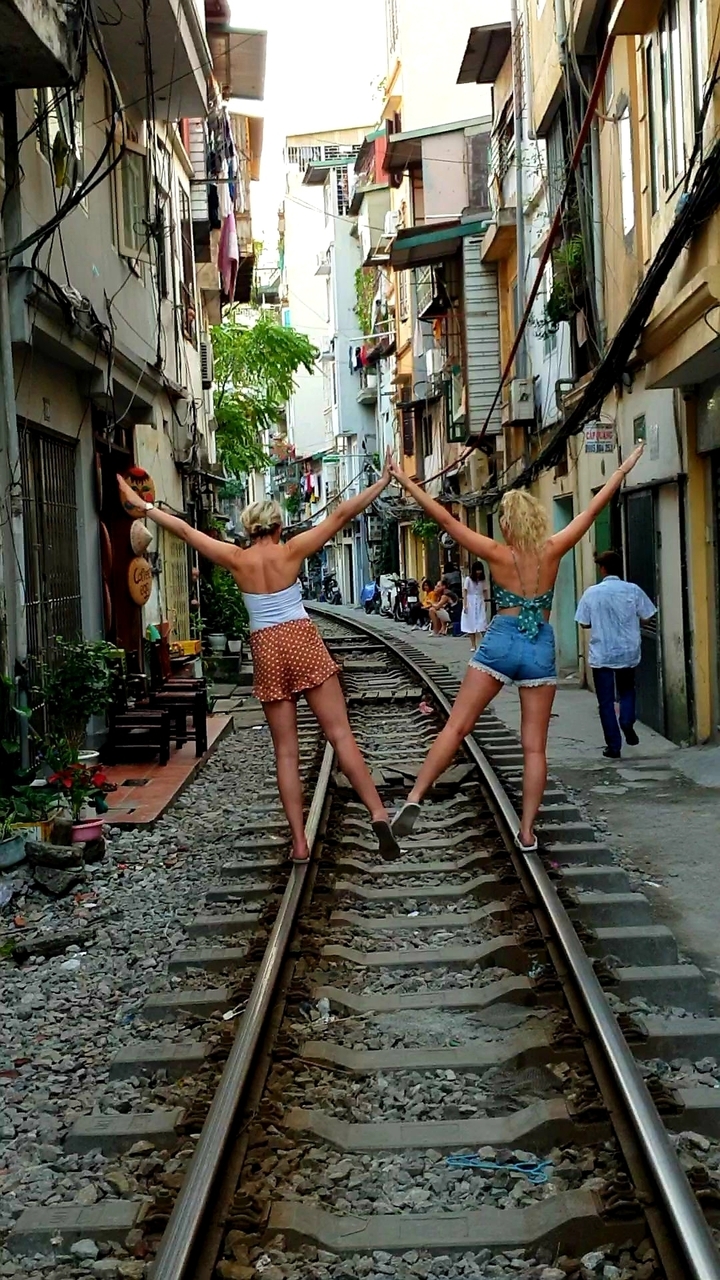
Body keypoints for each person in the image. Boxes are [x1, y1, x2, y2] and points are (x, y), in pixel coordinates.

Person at [117, 464, 401, 864]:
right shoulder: (292, 550)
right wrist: (383, 482)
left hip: (267, 647)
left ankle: (299, 843)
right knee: (340, 735)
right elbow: (341, 515)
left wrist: (143, 507)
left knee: (286, 752)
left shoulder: (236, 558)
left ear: (249, 529)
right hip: (301, 640)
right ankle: (378, 812)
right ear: (279, 527)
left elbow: (184, 531)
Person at [387, 444, 645, 851]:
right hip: (540, 645)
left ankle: (415, 796)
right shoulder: (555, 548)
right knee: (534, 748)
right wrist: (625, 465)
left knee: (457, 725)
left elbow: (443, 518)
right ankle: (527, 832)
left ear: (507, 524)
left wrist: (405, 481)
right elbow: (593, 507)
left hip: (502, 638)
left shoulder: (495, 553)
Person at [575, 550, 657, 759]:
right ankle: (627, 721)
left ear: (602, 569)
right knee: (627, 690)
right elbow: (648, 617)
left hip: (602, 653)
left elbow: (584, 622)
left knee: (606, 702)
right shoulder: (633, 590)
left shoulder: (591, 593)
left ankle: (614, 746)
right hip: (627, 651)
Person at [461, 561, 488, 649]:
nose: (478, 572)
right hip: (470, 601)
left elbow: (485, 590)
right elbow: (465, 591)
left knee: (482, 623)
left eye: (480, 570)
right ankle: (473, 644)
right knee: (470, 624)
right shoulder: (468, 579)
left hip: (480, 601)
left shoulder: (483, 580)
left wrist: (486, 602)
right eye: (477, 570)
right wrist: (465, 604)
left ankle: (484, 644)